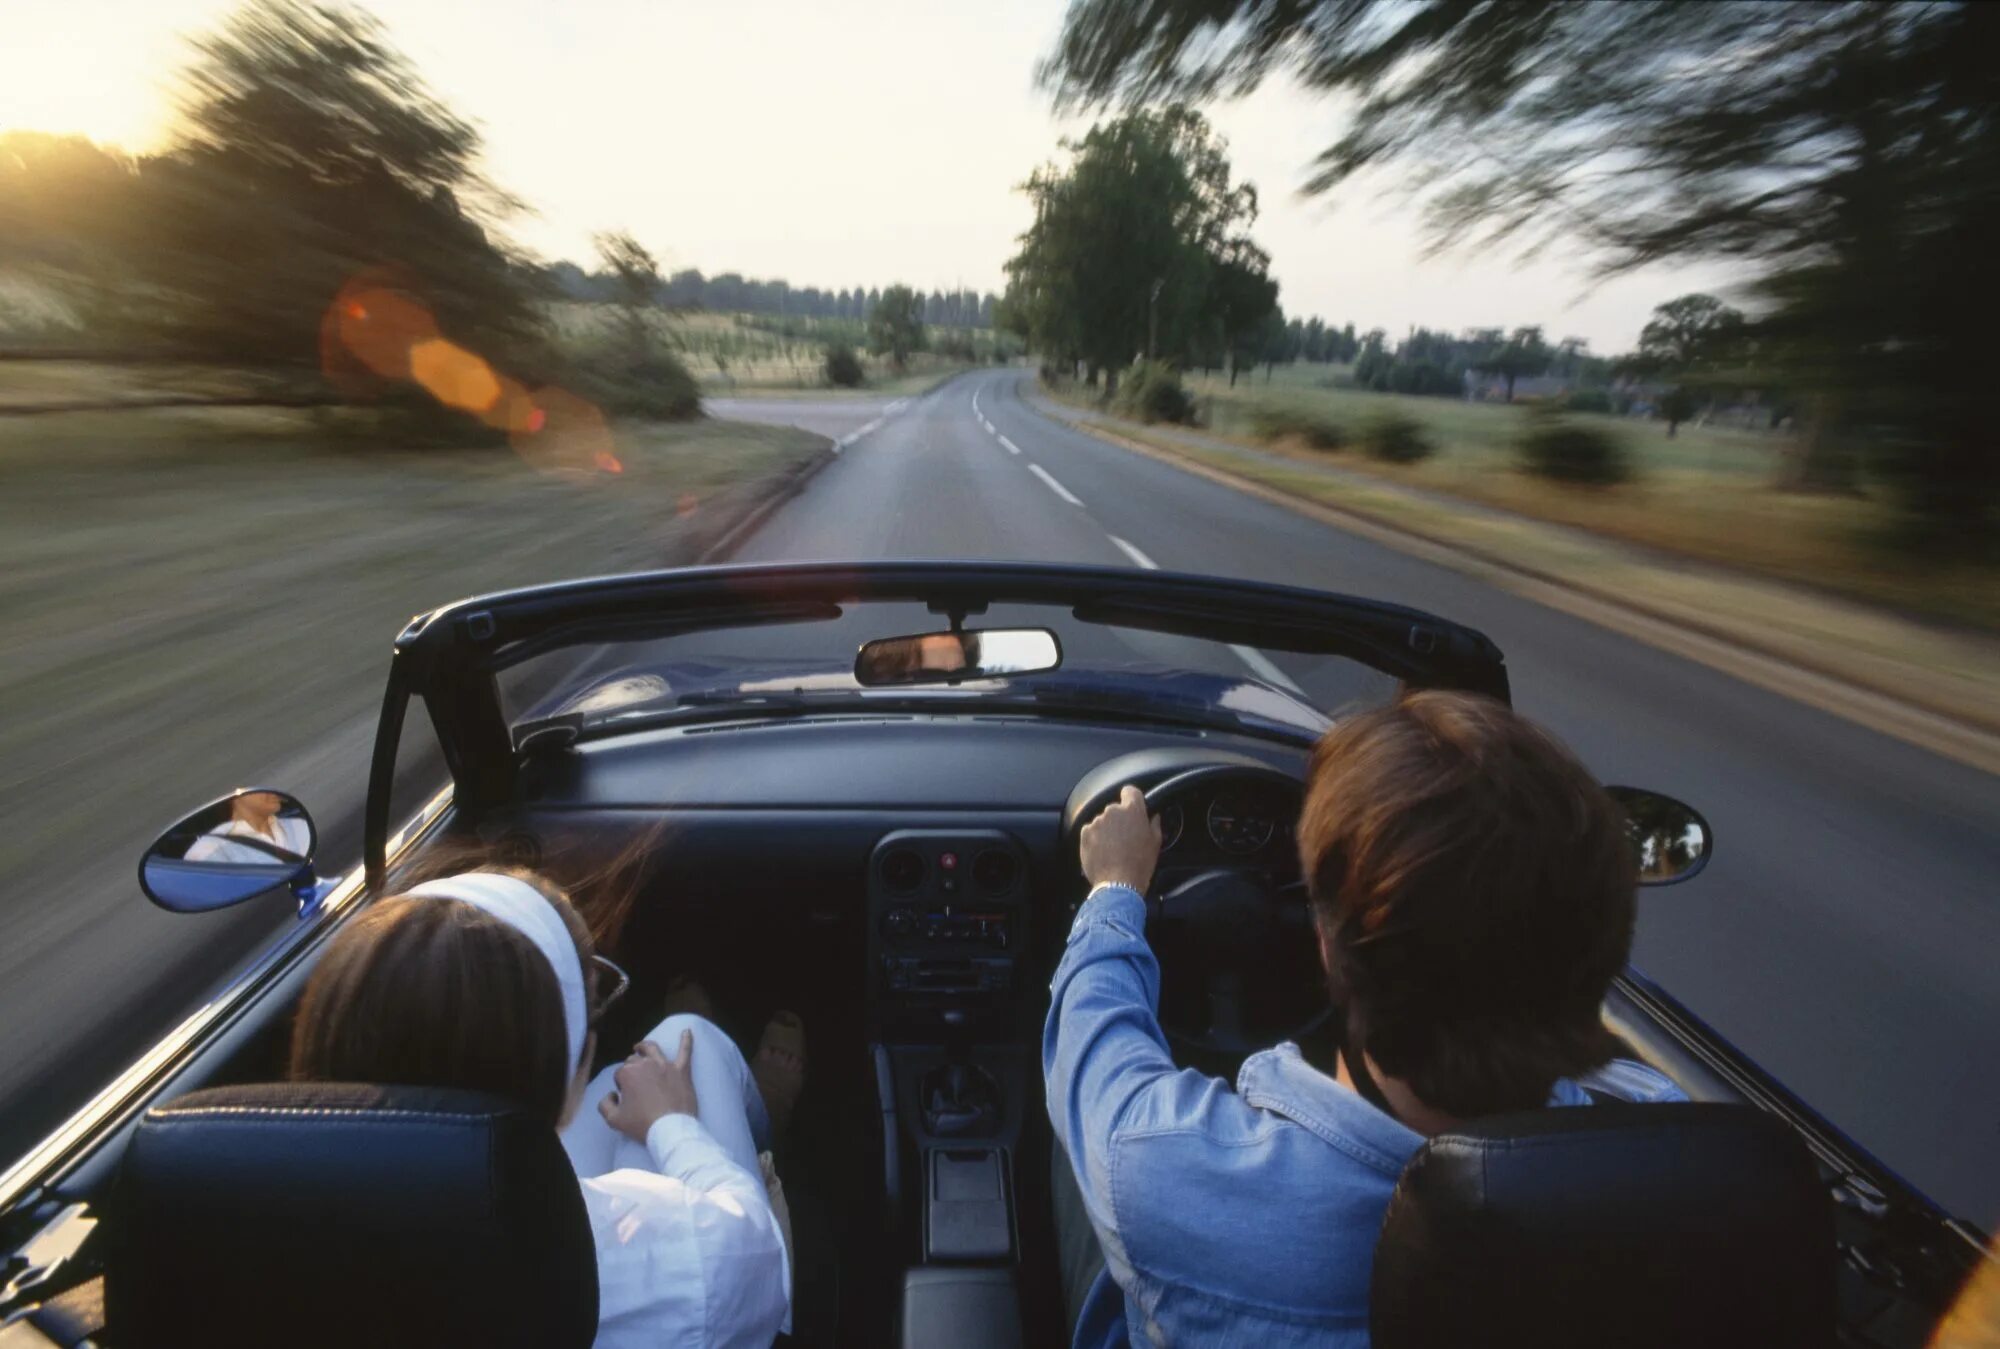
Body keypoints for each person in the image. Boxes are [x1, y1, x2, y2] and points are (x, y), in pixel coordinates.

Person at [1045, 691, 1685, 1347]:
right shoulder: (1676, 1167)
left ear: (1326, 940)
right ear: (1597, 951)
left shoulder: (1166, 1164)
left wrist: (1115, 889)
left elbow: (1094, 1051)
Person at [288, 867, 800, 1349]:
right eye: (591, 1010)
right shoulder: (661, 1252)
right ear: (565, 1092)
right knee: (687, 1042)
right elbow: (757, 1259)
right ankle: (763, 1128)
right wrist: (675, 1124)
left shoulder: (246, 1223)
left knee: (644, 1067)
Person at [184, 790, 311, 863]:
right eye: (259, 785)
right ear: (235, 796)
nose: (273, 791)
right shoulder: (206, 852)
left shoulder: (301, 826)